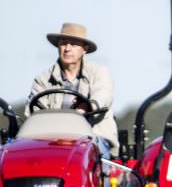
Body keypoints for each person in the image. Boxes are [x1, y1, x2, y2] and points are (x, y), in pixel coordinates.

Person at [25, 22, 118, 157]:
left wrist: (88, 106)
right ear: (58, 46)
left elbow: (103, 94)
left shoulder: (98, 73)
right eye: (63, 43)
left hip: (93, 137)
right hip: (53, 141)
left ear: (84, 49)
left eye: (73, 44)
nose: (67, 48)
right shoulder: (43, 80)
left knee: (94, 157)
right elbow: (34, 113)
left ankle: (101, 177)